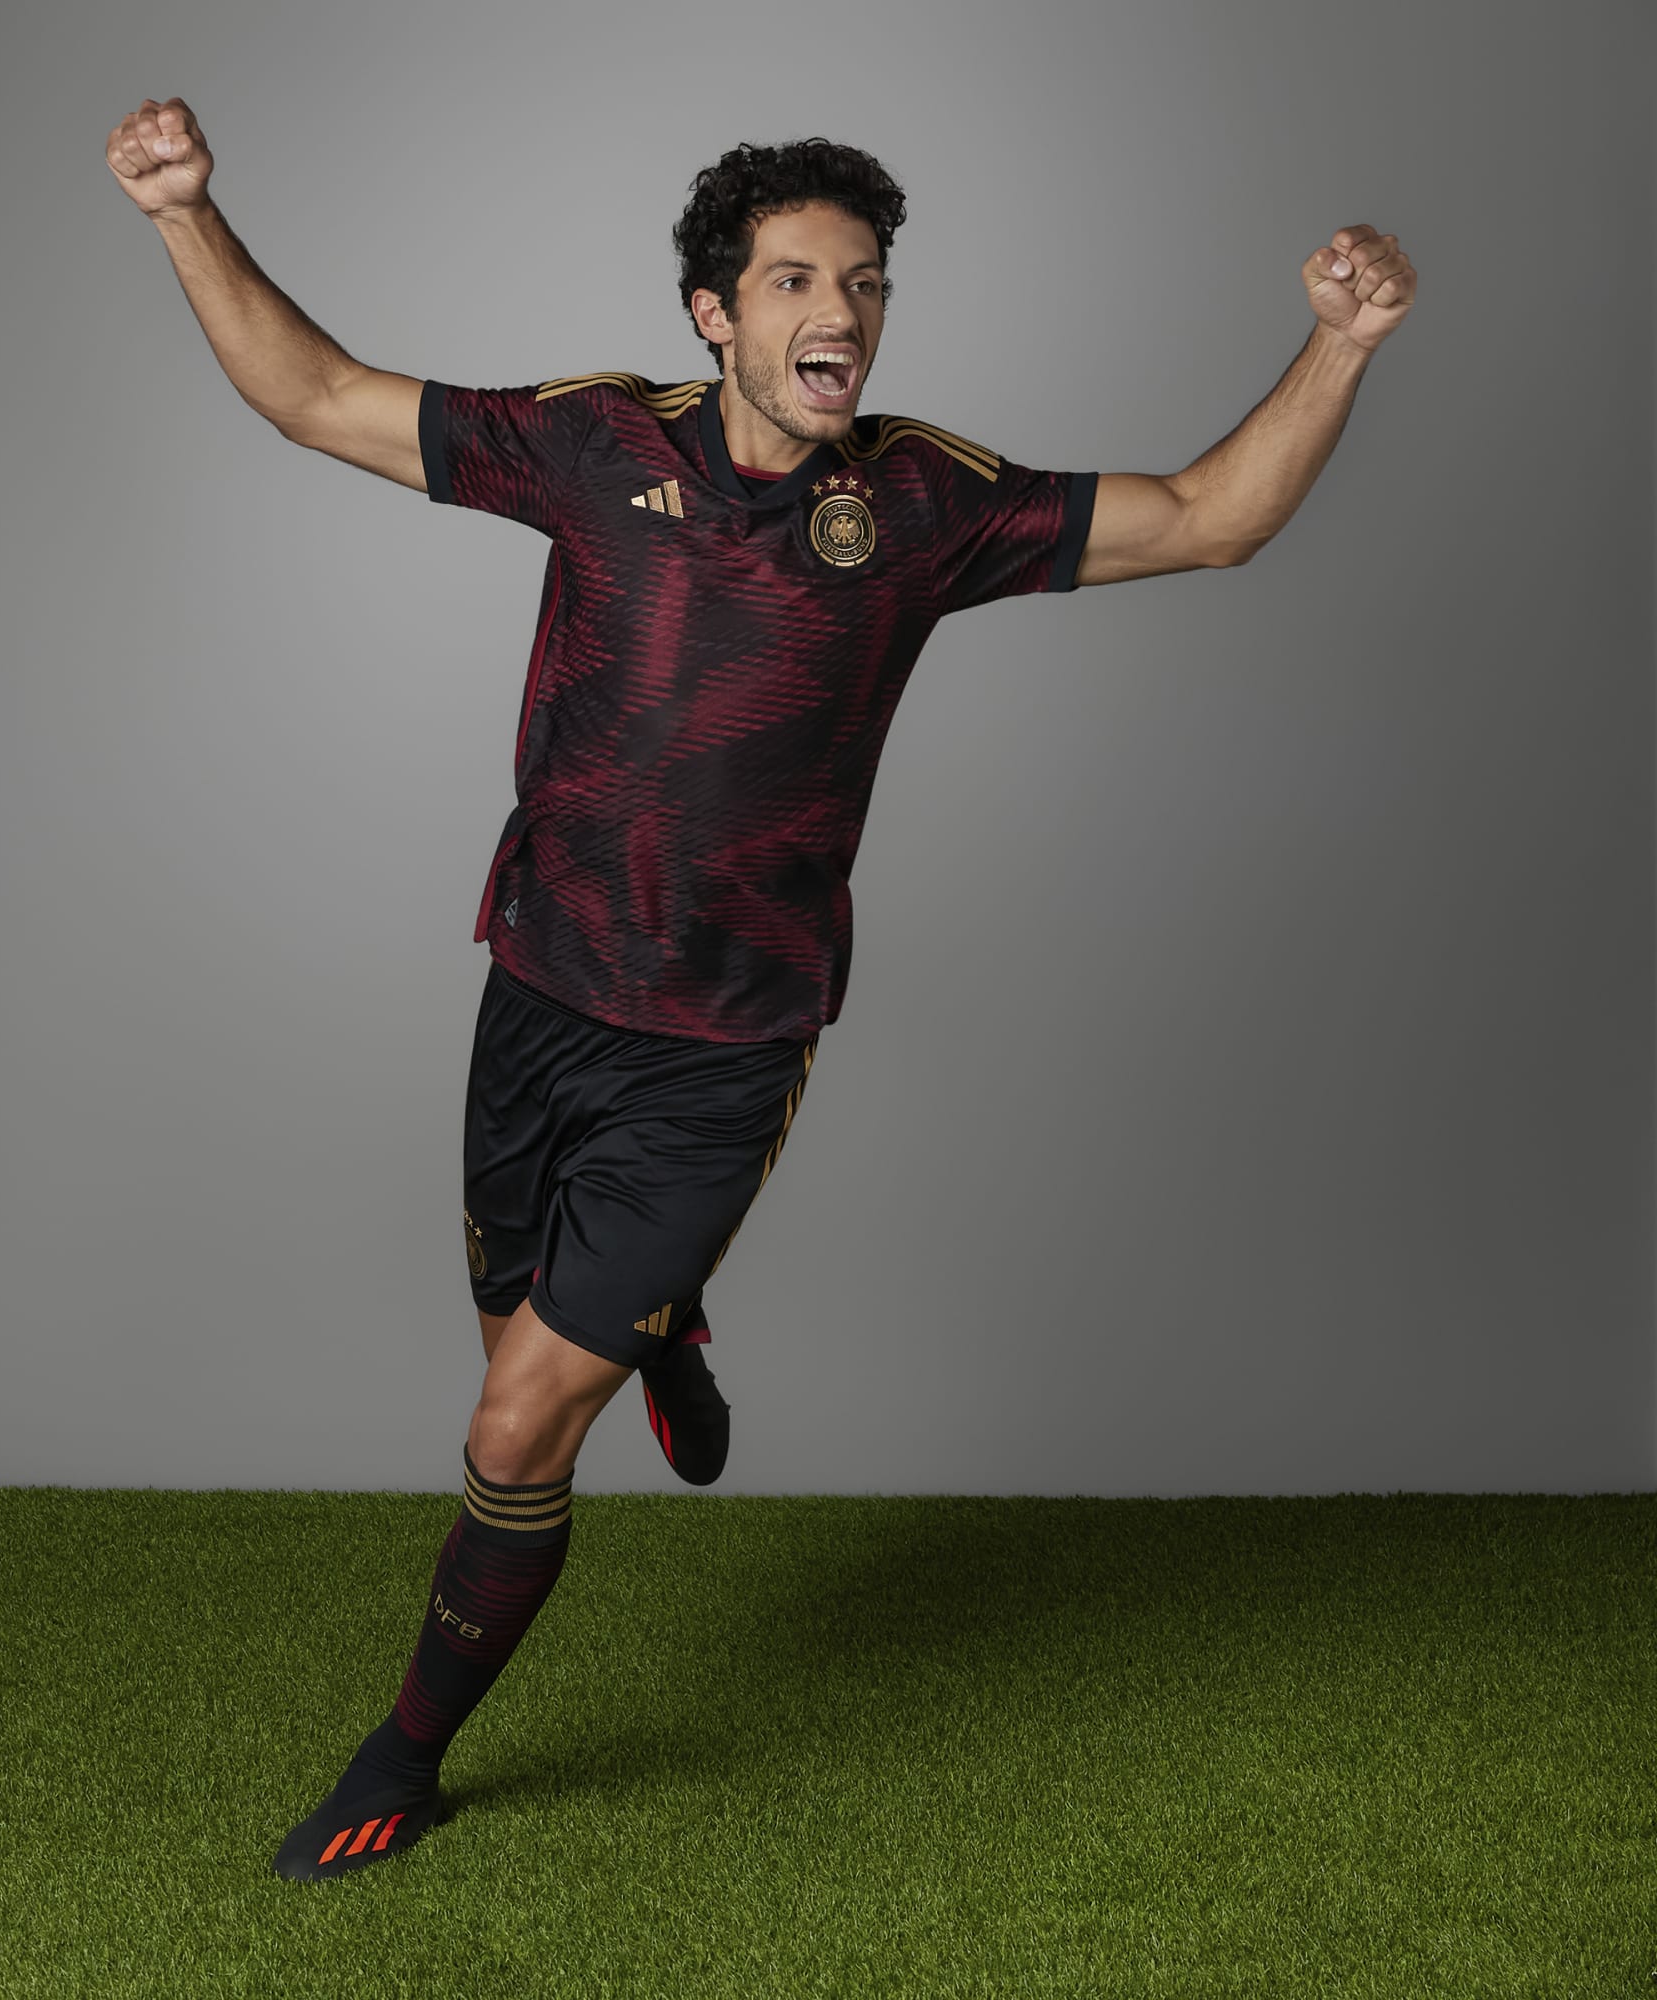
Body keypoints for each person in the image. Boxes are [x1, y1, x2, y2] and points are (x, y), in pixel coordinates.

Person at [102, 96, 1415, 1880]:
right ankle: (673, 1326)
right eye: (797, 280)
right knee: (513, 1361)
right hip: (540, 995)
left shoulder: (921, 502)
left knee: (512, 1426)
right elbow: (319, 396)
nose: (841, 312)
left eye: (864, 284)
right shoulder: (593, 446)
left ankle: (404, 1752)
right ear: (714, 314)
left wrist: (1341, 343)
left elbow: (1206, 517)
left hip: (723, 1048)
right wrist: (185, 211)